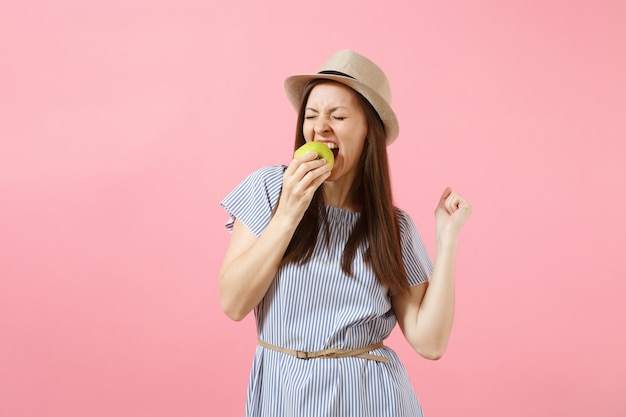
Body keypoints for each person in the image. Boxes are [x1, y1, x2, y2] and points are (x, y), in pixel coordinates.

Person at [219, 49, 473, 417]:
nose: (320, 127)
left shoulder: (392, 228)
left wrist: (447, 239)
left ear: (369, 131)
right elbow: (233, 302)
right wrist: (291, 210)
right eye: (311, 115)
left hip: (371, 400)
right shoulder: (268, 190)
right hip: (283, 396)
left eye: (338, 116)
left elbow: (430, 342)